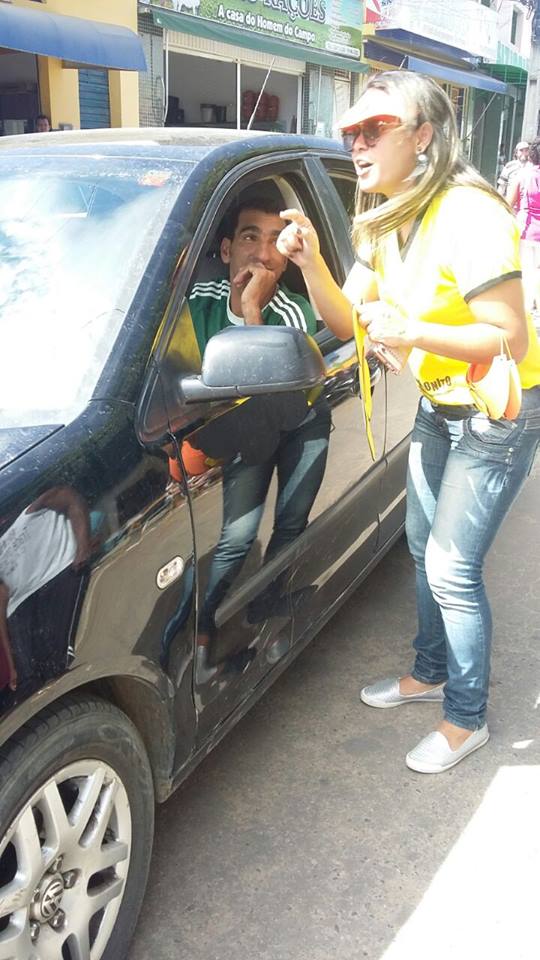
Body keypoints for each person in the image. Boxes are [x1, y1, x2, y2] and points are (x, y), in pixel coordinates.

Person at [277, 70, 540, 774]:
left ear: (423, 135)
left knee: (452, 568)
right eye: (351, 132)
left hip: (498, 410)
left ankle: (466, 717)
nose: (357, 144)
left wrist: (411, 330)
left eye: (375, 129)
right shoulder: (384, 216)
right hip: (438, 403)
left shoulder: (469, 212)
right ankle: (428, 673)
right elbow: (348, 321)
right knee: (422, 548)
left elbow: (508, 336)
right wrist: (310, 262)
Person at [178, 194, 331, 681]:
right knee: (238, 535)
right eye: (250, 237)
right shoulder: (194, 302)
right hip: (242, 431)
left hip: (297, 418)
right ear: (226, 249)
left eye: (275, 243)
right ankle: (201, 638)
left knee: (291, 520)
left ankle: (267, 603)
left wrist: (250, 309)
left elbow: (275, 401)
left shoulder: (293, 309)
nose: (263, 254)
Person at [507, 138, 540, 313]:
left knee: (527, 272)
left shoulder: (523, 175)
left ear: (531, 155)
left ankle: (527, 311)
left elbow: (508, 203)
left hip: (526, 231)